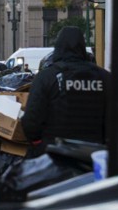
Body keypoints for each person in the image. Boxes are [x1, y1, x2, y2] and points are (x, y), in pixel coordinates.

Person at [22, 26, 109, 154]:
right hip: (95, 154)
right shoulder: (105, 78)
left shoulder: (46, 78)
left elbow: (31, 122)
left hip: (54, 156)